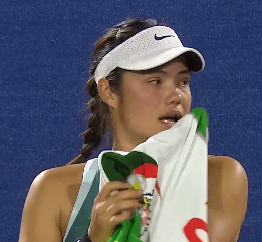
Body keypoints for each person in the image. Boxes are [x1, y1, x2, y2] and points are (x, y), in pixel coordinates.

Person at [18, 18, 248, 242]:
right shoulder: (52, 191)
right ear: (108, 91)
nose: (176, 96)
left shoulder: (220, 177)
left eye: (183, 82)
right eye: (155, 81)